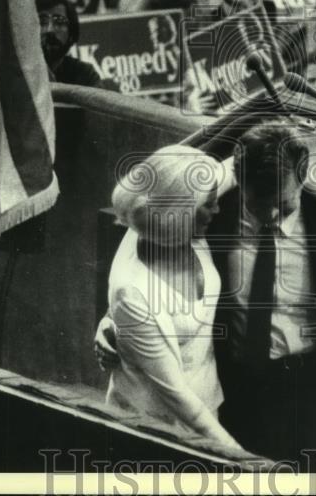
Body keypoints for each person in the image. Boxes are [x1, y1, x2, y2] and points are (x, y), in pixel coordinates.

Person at [98, 121, 316, 469]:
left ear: (304, 176)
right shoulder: (208, 210)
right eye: (258, 204)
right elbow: (148, 245)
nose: (271, 216)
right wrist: (113, 321)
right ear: (238, 179)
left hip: (309, 389)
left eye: (283, 204)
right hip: (231, 389)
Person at [106, 146, 244, 451]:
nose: (217, 209)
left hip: (205, 407)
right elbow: (176, 393)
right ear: (178, 215)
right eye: (209, 205)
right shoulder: (134, 290)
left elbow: (235, 166)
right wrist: (238, 455)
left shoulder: (175, 223)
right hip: (150, 427)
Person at [36, 0, 100, 87]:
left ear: (71, 34)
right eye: (42, 22)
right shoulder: (15, 72)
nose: (50, 30)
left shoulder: (84, 74)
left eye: (59, 22)